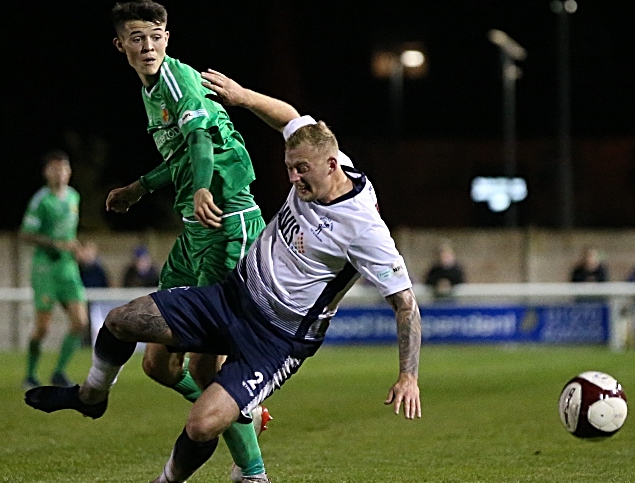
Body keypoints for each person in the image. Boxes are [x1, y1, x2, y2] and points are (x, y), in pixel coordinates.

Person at [25, 87, 422, 483]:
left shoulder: (364, 229)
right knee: (121, 320)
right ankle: (91, 396)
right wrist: (243, 97)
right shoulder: (324, 154)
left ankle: (194, 476)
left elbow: (405, 303)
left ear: (332, 165)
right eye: (290, 167)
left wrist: (408, 375)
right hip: (232, 297)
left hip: (275, 339)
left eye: (302, 169)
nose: (294, 177)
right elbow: (289, 116)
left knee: (202, 424)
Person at [102, 2, 269, 481]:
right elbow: (179, 154)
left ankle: (252, 471)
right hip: (193, 230)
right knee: (157, 364)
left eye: (155, 36)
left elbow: (197, 143)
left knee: (205, 363)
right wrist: (140, 187)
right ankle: (240, 414)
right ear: (122, 46)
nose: (147, 46)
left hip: (226, 224)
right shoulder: (151, 92)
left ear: (168, 38)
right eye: (137, 38)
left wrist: (200, 185)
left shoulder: (177, 81)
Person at [20, 149, 88, 390]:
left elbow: (68, 235)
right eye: (54, 168)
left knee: (80, 322)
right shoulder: (41, 201)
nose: (59, 173)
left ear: (69, 172)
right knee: (42, 327)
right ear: (46, 172)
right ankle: (29, 374)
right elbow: (26, 234)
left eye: (63, 168)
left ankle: (59, 372)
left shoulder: (74, 198)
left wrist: (78, 248)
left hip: (67, 268)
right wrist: (56, 244)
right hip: (45, 269)